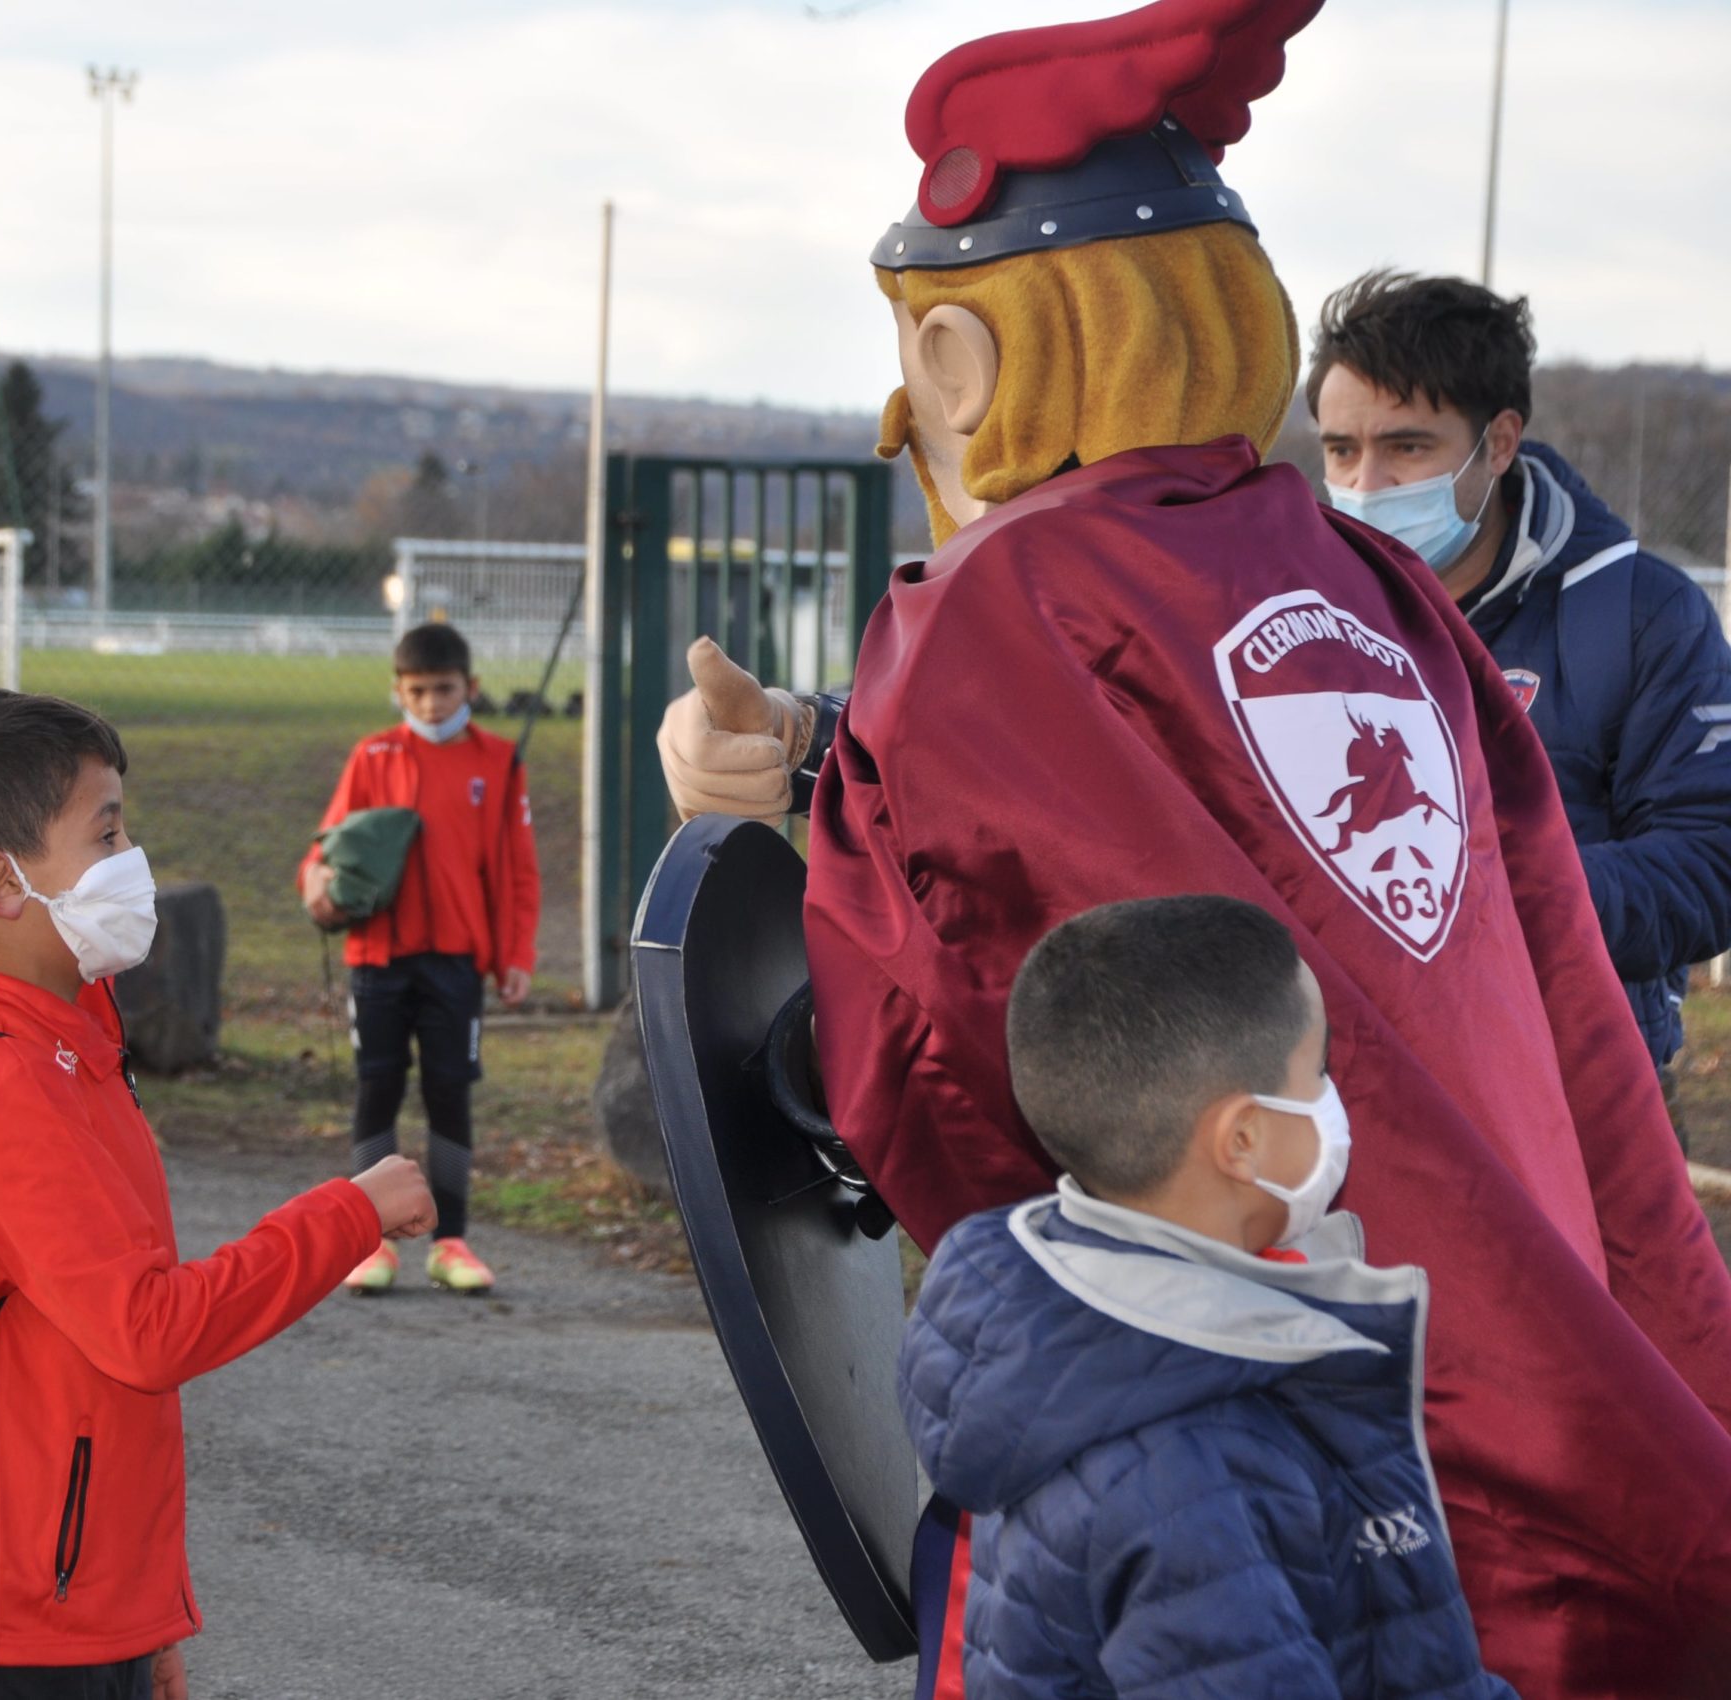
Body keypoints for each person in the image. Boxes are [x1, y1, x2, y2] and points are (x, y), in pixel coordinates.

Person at [652, 1, 1731, 1689]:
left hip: (1224, 1378)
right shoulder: (1364, 578)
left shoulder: (1000, 598)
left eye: (921, 343)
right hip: (1503, 1362)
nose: (904, 408)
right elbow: (1557, 983)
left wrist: (796, 976)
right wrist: (817, 762)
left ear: (967, 355)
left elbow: (939, 1047)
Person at [0, 684, 437, 1700]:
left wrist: (142, 1619)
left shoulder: (71, 1043)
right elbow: (149, 1329)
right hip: (1, 1628)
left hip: (73, 1614)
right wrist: (352, 1212)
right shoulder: (1, 1083)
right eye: (105, 829)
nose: (132, 858)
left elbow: (91, 1391)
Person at [904, 895, 1514, 1699]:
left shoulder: (1085, 1334)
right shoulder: (1188, 1472)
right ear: (1242, 1140)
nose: (1334, 1098)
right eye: (1319, 1071)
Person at [1310, 270, 1731, 1095]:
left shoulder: (1640, 612)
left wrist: (1504, 901)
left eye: (1406, 447)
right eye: (1340, 450)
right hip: (1354, 1088)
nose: (1365, 485)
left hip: (1574, 1094)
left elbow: (1710, 857)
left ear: (1498, 443)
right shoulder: (1297, 616)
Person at [300, 622, 540, 1296]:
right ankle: (369, 1241)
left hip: (456, 964)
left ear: (471, 688)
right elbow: (327, 848)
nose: (432, 704)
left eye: (444, 690)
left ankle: (452, 1241)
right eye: (418, 692)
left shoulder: (499, 762)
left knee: (448, 1094)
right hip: (378, 957)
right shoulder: (373, 755)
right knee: (377, 1087)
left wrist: (514, 953)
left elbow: (517, 872)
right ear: (397, 692)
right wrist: (315, 887)